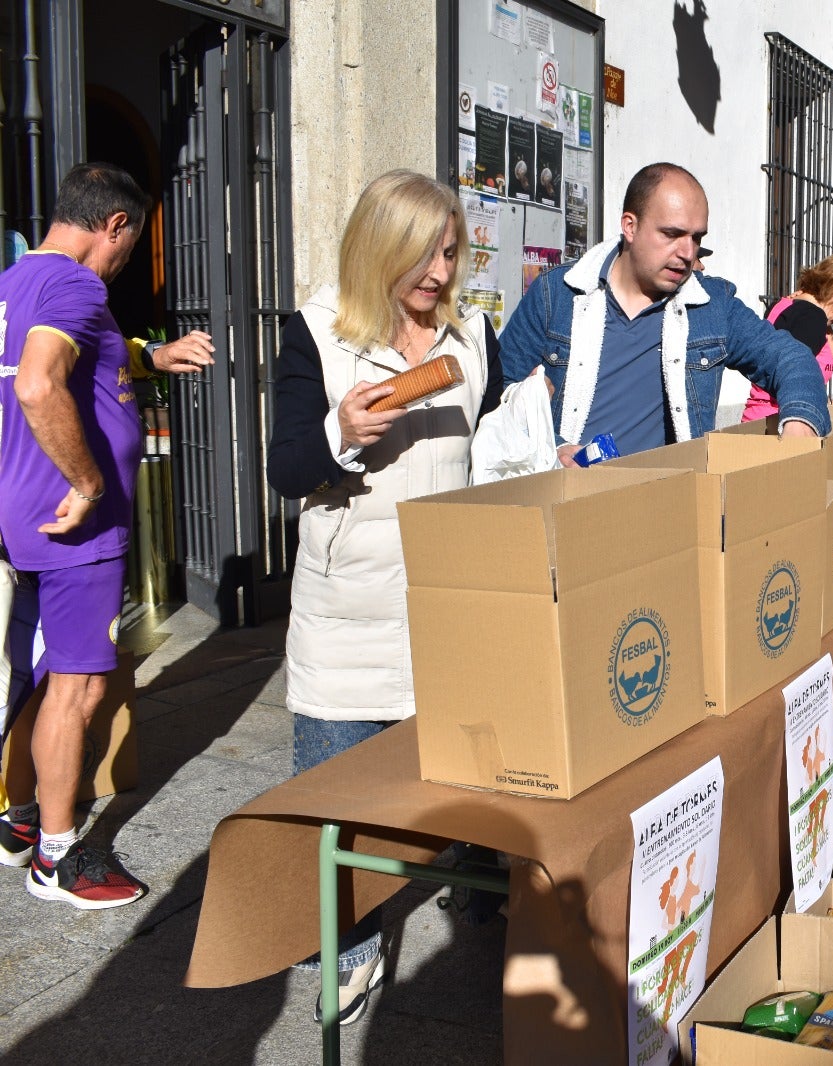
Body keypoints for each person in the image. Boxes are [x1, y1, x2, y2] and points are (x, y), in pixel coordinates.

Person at [265, 169, 502, 1025]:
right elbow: (286, 468)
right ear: (378, 248)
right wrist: (343, 433)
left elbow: (497, 431)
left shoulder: (473, 333)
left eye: (448, 250)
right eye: (420, 254)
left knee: (465, 783)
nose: (438, 273)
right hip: (350, 621)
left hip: (449, 607)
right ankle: (352, 953)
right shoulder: (319, 332)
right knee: (342, 811)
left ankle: (476, 890)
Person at [0, 163, 213, 908]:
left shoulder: (15, 280)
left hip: (25, 512)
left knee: (41, 671)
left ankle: (19, 819)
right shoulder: (77, 284)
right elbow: (37, 383)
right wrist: (89, 484)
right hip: (75, 526)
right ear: (115, 225)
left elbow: (85, 355)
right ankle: (58, 860)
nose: (125, 261)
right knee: (80, 684)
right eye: (131, 241)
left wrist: (152, 357)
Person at [500, 162, 829, 460]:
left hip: (668, 503)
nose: (687, 253)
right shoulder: (556, 295)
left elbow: (790, 358)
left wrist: (800, 419)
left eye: (696, 237)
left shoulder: (713, 306)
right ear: (630, 226)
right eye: (672, 234)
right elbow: (500, 392)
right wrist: (553, 448)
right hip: (566, 501)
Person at [742, 255, 833, 419]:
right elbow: (794, 378)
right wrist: (830, 403)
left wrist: (826, 322)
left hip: (762, 414)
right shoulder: (811, 318)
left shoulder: (788, 305)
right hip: (781, 419)